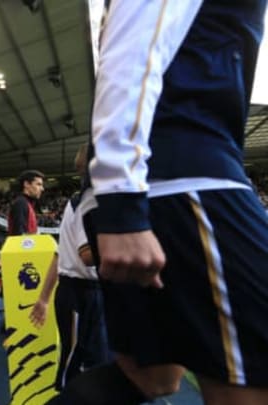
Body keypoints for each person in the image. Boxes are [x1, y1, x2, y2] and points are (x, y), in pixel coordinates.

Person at [48, 2, 268, 405]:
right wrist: (122, 204)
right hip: (187, 182)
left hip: (171, 181)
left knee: (154, 377)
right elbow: (133, 46)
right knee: (253, 380)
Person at [29, 146, 111, 391]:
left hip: (79, 290)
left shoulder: (79, 201)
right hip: (82, 293)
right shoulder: (89, 201)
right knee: (77, 364)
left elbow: (59, 256)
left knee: (87, 362)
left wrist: (43, 298)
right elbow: (87, 256)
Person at [7, 170, 44, 236]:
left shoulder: (27, 204)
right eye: (38, 184)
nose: (42, 189)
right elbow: (19, 235)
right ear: (26, 184)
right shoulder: (21, 203)